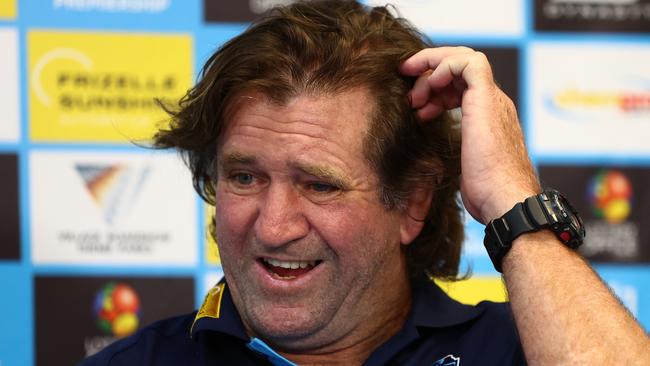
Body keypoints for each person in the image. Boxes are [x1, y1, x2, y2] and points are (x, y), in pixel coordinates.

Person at [79, 1, 650, 365]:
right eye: (245, 177)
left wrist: (514, 202)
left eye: (320, 185)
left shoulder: (513, 349)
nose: (274, 227)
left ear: (414, 202)